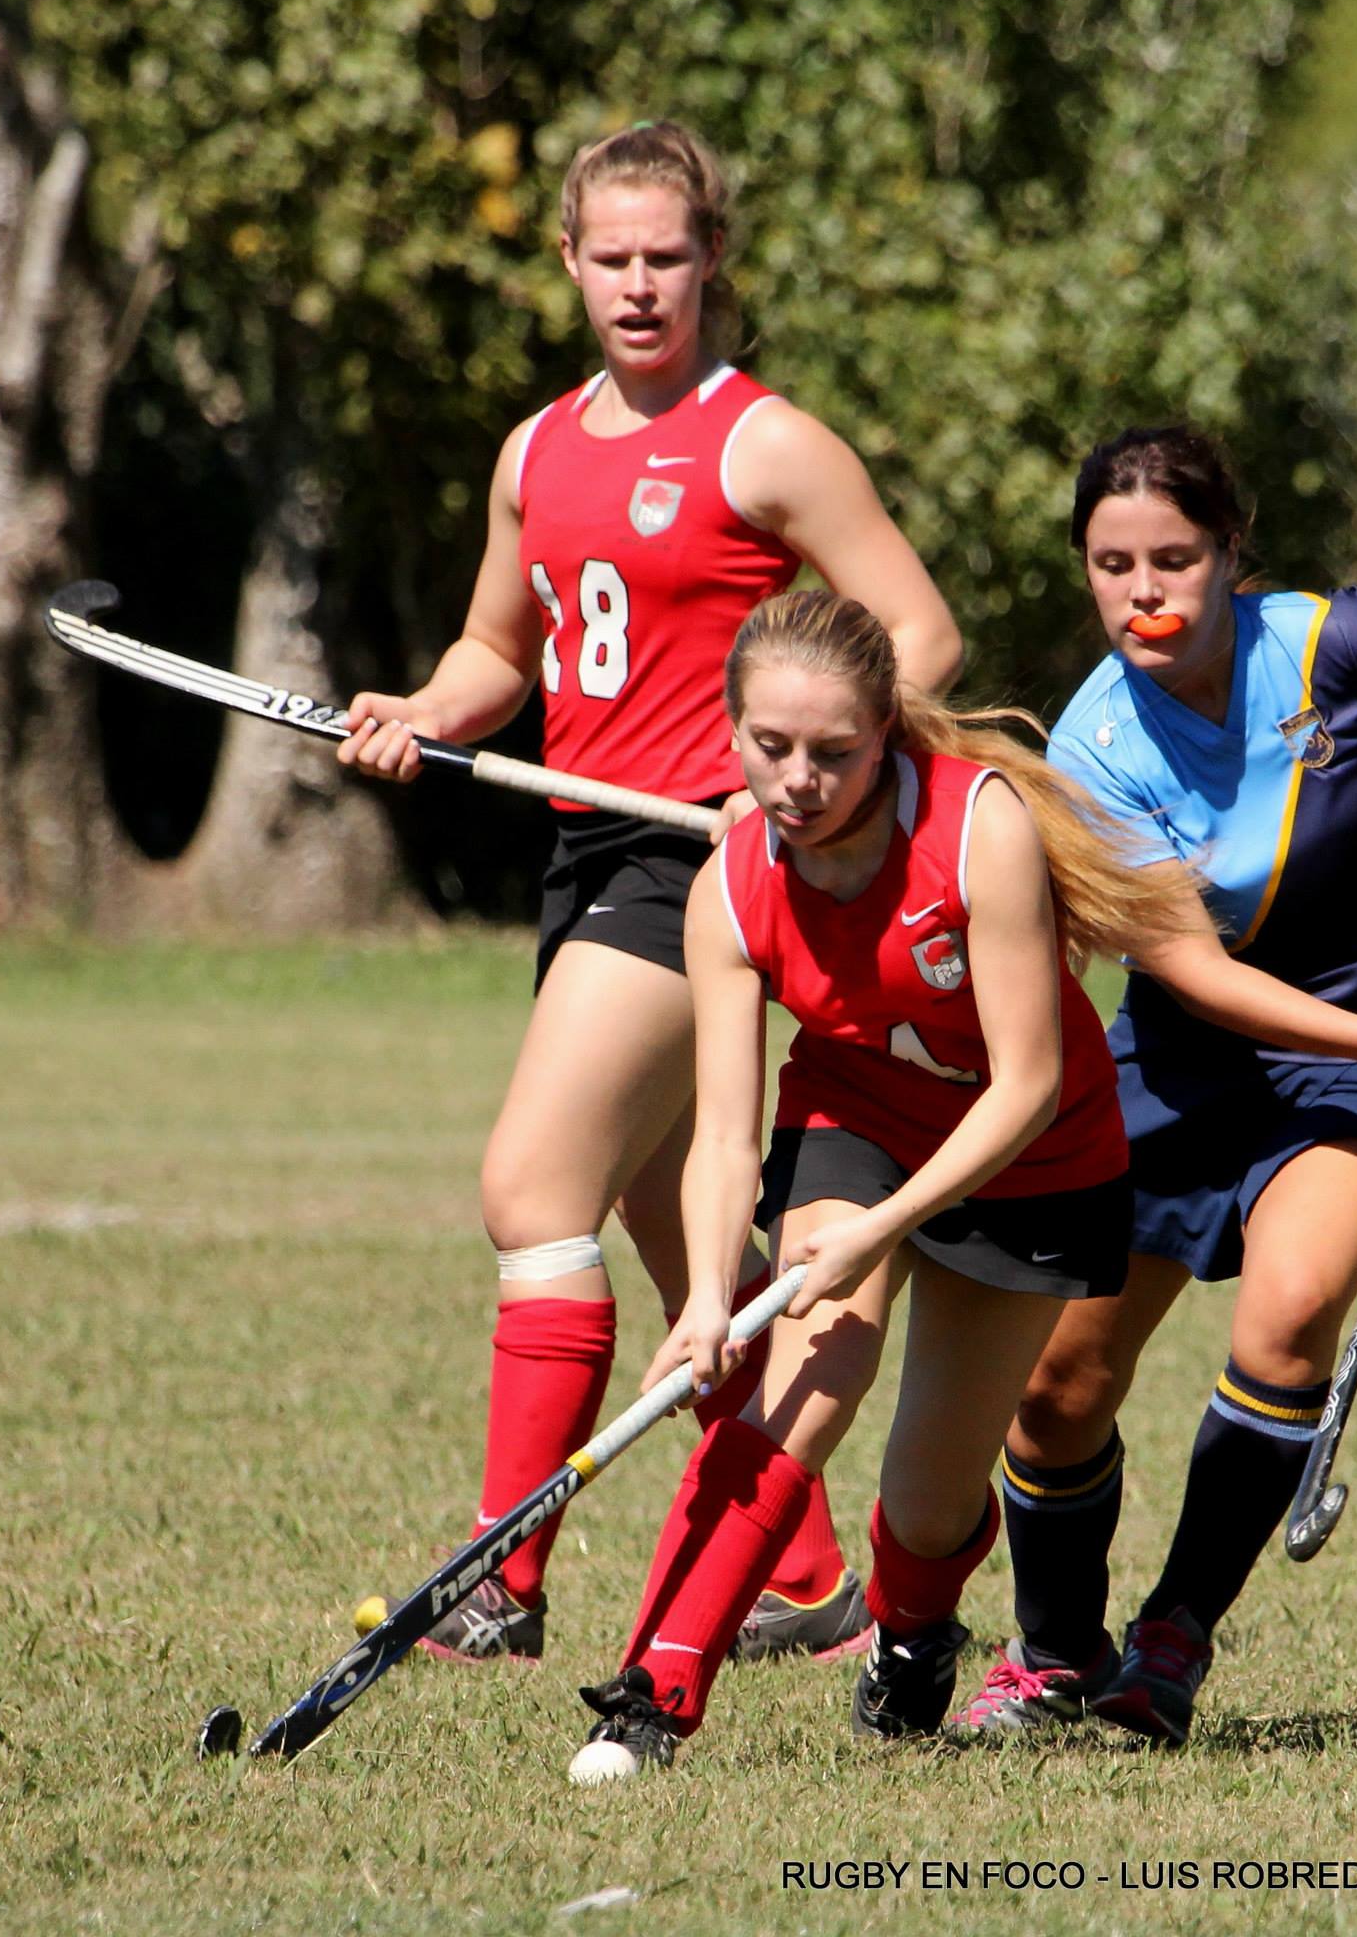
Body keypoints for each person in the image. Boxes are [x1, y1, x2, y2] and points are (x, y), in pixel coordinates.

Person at [337, 121, 961, 1664]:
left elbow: (920, 639)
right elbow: (503, 650)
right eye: (608, 258)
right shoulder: (535, 451)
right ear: (566, 261)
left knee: (531, 1184)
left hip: (700, 857)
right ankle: (810, 1573)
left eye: (665, 258)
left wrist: (801, 795)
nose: (637, 286)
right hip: (583, 849)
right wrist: (422, 710)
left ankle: (500, 1577)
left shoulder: (765, 443)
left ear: (710, 264)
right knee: (681, 1236)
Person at [953, 424, 1357, 1743]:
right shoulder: (1087, 748)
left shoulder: (1330, 643)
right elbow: (1183, 967)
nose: (1142, 590)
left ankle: (1169, 1644)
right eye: (1110, 563)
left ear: (1229, 552)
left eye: (1172, 558)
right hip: (1184, 1058)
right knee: (1056, 1387)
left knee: (1286, 1317)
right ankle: (1056, 1650)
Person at [564, 590, 1197, 1776]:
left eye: (833, 752)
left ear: (885, 731)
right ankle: (655, 1685)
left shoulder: (979, 827)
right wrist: (708, 1293)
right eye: (770, 746)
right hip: (856, 1115)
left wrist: (887, 1230)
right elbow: (721, 1135)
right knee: (803, 1379)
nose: (797, 779)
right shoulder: (730, 884)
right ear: (734, 728)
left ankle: (913, 1629)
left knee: (926, 1496)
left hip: (1034, 1158)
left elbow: (1026, 1082)